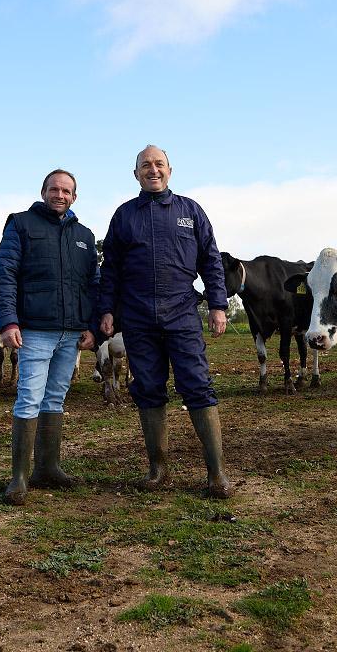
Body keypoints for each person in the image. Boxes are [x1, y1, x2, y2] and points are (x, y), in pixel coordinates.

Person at [98, 145, 234, 499]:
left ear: (170, 171)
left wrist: (217, 304)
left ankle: (216, 473)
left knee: (197, 385)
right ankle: (158, 469)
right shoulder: (124, 216)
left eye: (159, 164)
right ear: (136, 174)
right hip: (138, 315)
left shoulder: (191, 211)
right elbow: (110, 268)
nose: (153, 170)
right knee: (147, 387)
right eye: (146, 165)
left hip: (182, 312)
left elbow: (211, 260)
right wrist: (108, 309)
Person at [0, 169, 99, 505]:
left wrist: (92, 326)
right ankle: (19, 478)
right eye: (54, 189)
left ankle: (48, 468)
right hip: (35, 331)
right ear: (43, 191)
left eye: (67, 190)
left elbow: (93, 284)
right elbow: (4, 272)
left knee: (55, 399)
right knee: (29, 398)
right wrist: (8, 322)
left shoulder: (85, 235)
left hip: (71, 333)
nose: (60, 195)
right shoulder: (21, 225)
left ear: (74, 197)